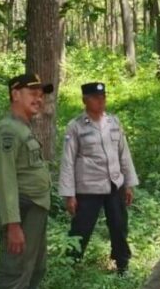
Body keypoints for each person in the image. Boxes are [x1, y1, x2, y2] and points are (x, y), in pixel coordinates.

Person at [0, 73, 54, 289]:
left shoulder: (23, 128)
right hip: (22, 212)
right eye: (32, 92)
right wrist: (12, 224)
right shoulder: (7, 131)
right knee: (15, 269)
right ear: (15, 94)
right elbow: (5, 180)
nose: (39, 98)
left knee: (35, 268)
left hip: (35, 210)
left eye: (42, 93)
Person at [58, 82, 139, 275]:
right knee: (81, 228)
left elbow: (123, 154)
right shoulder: (76, 126)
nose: (101, 101)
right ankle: (70, 266)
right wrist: (69, 195)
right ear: (85, 100)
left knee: (119, 226)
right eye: (95, 98)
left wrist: (128, 184)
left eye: (103, 97)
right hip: (88, 188)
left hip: (114, 184)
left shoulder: (113, 123)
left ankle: (122, 265)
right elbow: (67, 162)